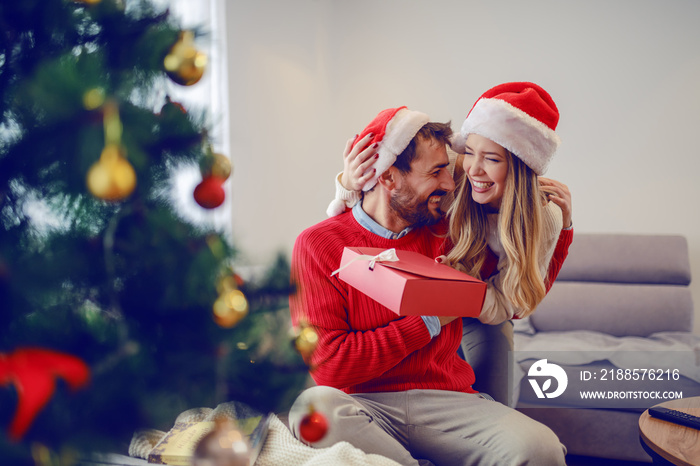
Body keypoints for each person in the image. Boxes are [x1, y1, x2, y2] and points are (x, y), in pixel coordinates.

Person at [289, 105, 567, 465]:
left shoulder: (451, 231)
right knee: (313, 409)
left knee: (540, 449)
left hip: (446, 400)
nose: (451, 184)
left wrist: (562, 228)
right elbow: (328, 365)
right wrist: (429, 319)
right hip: (362, 406)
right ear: (388, 177)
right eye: (436, 172)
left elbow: (517, 293)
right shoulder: (317, 245)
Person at [326, 82, 573, 404]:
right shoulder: (452, 169)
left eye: (493, 160)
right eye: (469, 152)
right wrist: (348, 183)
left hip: (482, 307)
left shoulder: (544, 215)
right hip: (430, 294)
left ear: (520, 166)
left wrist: (456, 293)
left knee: (497, 406)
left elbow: (514, 302)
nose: (473, 169)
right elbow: (388, 190)